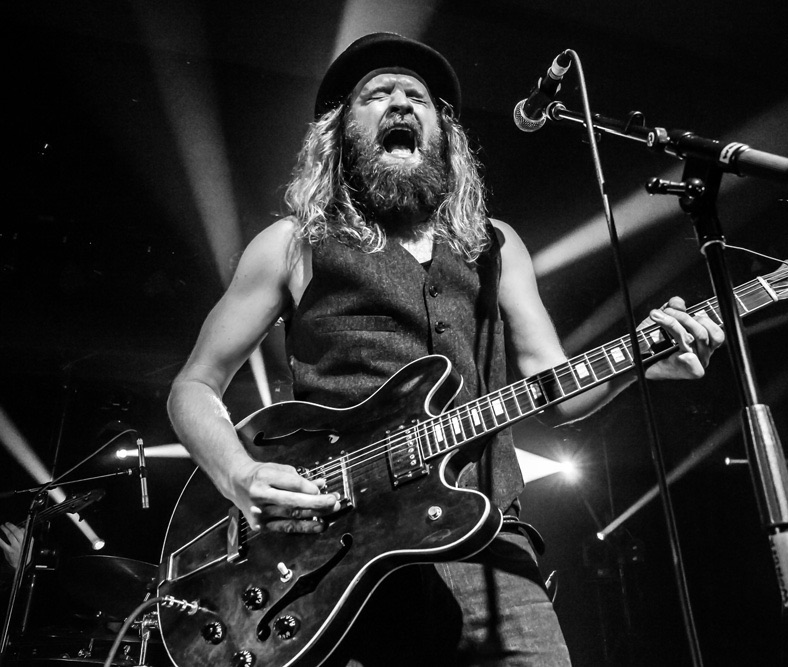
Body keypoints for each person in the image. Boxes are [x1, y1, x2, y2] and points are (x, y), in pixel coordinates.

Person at [167, 32, 724, 666]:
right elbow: (192, 388)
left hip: (489, 547)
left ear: (444, 132)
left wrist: (643, 362)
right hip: (332, 561)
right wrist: (240, 477)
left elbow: (556, 386)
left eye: (418, 97)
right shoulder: (293, 245)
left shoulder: (497, 247)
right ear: (340, 134)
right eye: (376, 96)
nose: (400, 104)